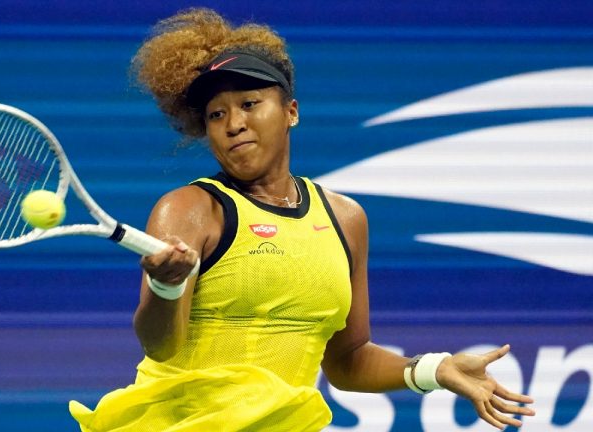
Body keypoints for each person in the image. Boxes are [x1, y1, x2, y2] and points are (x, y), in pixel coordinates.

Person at [69, 8, 535, 431]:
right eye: (216, 114)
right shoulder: (190, 209)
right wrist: (166, 288)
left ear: (290, 111)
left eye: (250, 104)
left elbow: (348, 360)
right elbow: (160, 345)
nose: (233, 124)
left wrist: (435, 369)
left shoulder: (345, 218)